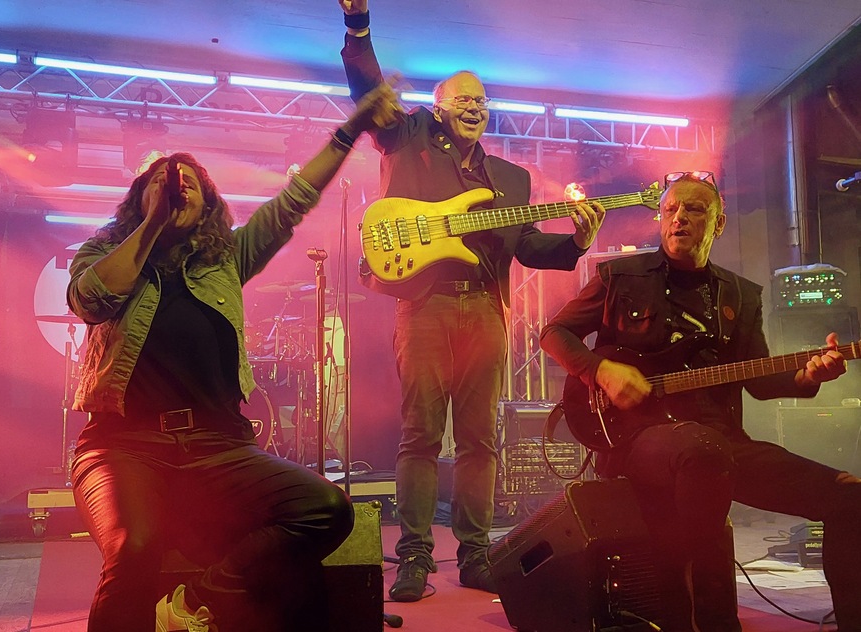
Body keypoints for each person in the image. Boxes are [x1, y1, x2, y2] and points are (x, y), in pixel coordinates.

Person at [66, 81, 400, 632]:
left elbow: (294, 200)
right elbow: (90, 300)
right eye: (162, 184)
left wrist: (352, 128)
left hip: (216, 447)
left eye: (189, 185)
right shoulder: (104, 252)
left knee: (327, 510)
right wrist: (151, 227)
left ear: (208, 205)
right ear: (139, 199)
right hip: (123, 447)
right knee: (133, 546)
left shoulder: (227, 259)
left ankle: (193, 601)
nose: (177, 191)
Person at [337, 0, 606, 602]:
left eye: (482, 100)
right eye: (463, 99)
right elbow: (368, 91)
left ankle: (476, 552)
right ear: (438, 107)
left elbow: (528, 245)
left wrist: (576, 241)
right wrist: (358, 25)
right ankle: (414, 555)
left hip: (484, 310)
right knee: (420, 435)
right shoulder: (408, 138)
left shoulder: (510, 179)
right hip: (425, 306)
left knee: (480, 439)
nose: (475, 107)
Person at [539, 170, 861, 632]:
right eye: (670, 209)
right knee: (702, 453)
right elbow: (554, 332)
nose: (679, 218)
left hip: (721, 441)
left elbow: (759, 379)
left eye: (694, 209)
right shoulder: (620, 276)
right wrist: (600, 370)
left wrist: (808, 375)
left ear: (718, 223)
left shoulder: (740, 295)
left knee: (849, 497)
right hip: (637, 439)